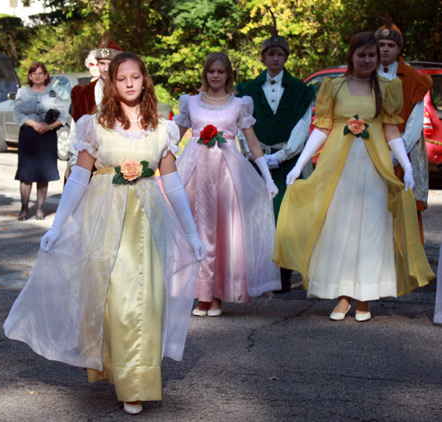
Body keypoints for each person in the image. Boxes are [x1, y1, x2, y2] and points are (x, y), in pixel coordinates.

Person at [4, 52, 204, 415]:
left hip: (147, 228)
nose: (129, 84)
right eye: (121, 78)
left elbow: (172, 184)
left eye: (135, 77)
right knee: (114, 303)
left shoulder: (162, 128)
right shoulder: (93, 126)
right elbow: (80, 178)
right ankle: (120, 370)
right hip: (104, 224)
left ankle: (137, 383)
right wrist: (58, 225)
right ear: (111, 83)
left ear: (145, 80)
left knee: (145, 302)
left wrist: (191, 234)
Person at [273, 32, 434, 322]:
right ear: (352, 56)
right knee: (339, 228)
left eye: (372, 55)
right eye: (362, 55)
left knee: (371, 228)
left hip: (374, 167)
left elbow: (391, 129)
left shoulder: (388, 87)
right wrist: (299, 164)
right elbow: (321, 128)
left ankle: (364, 296)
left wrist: (407, 166)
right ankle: (343, 294)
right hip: (338, 168)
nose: (367, 60)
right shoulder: (333, 87)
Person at [174, 52, 281, 317]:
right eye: (211, 71)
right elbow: (173, 138)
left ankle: (218, 294)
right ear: (205, 73)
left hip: (227, 174)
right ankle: (201, 294)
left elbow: (253, 142)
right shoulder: (191, 102)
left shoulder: (239, 104)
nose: (216, 76)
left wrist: (267, 177)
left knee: (224, 231)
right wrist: (154, 163)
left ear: (228, 75)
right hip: (196, 172)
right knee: (198, 229)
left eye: (221, 72)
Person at [236, 14, 315, 293]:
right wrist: (253, 154)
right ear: (262, 58)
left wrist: (280, 156)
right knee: (258, 215)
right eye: (270, 54)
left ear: (286, 58)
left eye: (280, 54)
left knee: (285, 217)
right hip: (256, 163)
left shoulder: (301, 90)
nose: (275, 59)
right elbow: (240, 125)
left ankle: (283, 274)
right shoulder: (246, 89)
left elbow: (303, 126)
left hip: (287, 162)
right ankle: (259, 272)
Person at [375, 20, 432, 244]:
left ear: (399, 48)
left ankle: (404, 268)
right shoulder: (366, 73)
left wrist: (394, 156)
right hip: (370, 154)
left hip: (403, 156)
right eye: (381, 44)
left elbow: (414, 127)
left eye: (390, 44)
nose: (386, 49)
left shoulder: (413, 78)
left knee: (403, 209)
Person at [14, 62, 68, 220]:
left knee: (44, 173)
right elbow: (17, 114)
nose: (37, 76)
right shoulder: (23, 92)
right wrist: (35, 125)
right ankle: (24, 208)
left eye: (40, 73)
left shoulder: (53, 92)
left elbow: (64, 114)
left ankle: (39, 209)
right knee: (26, 174)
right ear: (30, 76)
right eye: (34, 73)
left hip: (47, 136)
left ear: (46, 75)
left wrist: (50, 126)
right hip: (28, 135)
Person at [71, 40, 123, 122]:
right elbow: (75, 131)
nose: (105, 69)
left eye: (110, 64)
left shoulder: (128, 90)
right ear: (97, 63)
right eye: (102, 63)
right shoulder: (84, 93)